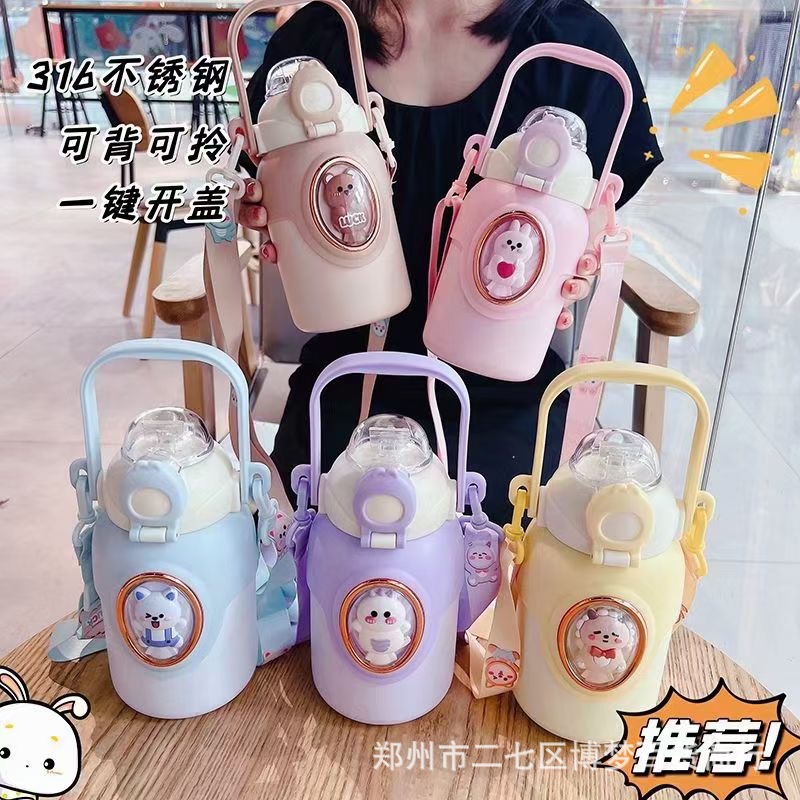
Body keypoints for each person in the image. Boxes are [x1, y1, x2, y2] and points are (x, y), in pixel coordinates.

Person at [238, 0, 662, 523]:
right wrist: (262, 210)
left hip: (508, 392)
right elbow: (269, 189)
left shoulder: (579, 52)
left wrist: (583, 253)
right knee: (318, 554)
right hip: (345, 379)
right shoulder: (314, 41)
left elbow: (595, 219)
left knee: (517, 556)